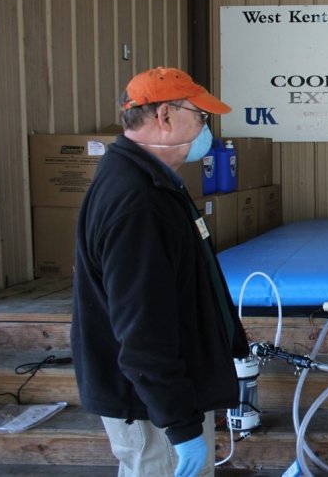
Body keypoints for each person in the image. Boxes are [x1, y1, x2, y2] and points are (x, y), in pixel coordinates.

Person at [71, 67, 250, 477]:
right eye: (200, 116)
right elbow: (142, 327)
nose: (206, 129)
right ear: (165, 115)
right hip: (154, 411)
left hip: (162, 399)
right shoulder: (138, 201)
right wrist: (179, 423)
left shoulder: (148, 181)